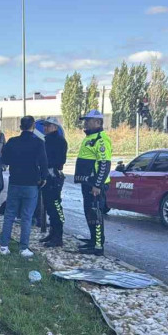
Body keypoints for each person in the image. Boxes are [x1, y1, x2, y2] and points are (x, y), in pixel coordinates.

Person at [0, 116, 48, 257]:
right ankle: (23, 248)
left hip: (15, 182)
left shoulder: (13, 142)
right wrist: (43, 177)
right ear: (33, 126)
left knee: (9, 215)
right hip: (31, 184)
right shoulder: (38, 142)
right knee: (27, 216)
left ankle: (4, 246)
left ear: (20, 127)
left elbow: (5, 160)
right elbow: (43, 162)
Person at [74, 110, 112, 256]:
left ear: (97, 122)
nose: (86, 123)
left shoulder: (101, 140)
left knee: (96, 214)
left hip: (95, 185)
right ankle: (92, 239)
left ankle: (98, 246)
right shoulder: (90, 137)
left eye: (88, 121)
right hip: (87, 183)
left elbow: (104, 164)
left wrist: (97, 184)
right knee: (89, 213)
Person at [36, 117, 68, 247]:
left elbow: (60, 160)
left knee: (55, 206)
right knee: (50, 206)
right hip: (48, 175)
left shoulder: (58, 141)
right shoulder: (46, 140)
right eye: (44, 126)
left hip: (53, 176)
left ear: (54, 127)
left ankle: (58, 236)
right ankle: (52, 233)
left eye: (48, 126)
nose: (45, 128)